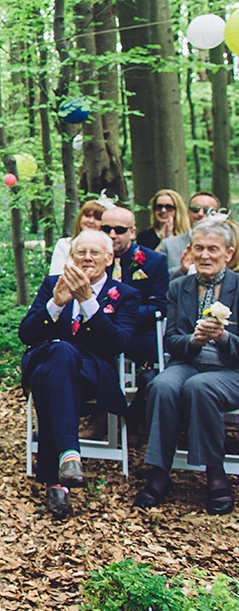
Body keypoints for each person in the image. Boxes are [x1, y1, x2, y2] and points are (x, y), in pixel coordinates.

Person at [19, 229, 140, 520]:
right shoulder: (52, 284)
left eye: (95, 253)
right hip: (48, 361)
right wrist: (56, 304)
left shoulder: (125, 295)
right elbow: (26, 334)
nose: (87, 258)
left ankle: (54, 481)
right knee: (60, 355)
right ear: (71, 257)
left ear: (109, 258)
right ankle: (69, 457)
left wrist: (88, 302)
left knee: (58, 370)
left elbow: (117, 344)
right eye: (81, 252)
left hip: (91, 375)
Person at [135, 217, 239, 515]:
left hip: (230, 370)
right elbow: (170, 341)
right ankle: (159, 471)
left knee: (200, 387)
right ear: (190, 251)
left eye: (213, 249)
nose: (205, 255)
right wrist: (192, 340)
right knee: (162, 385)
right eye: (199, 248)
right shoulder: (179, 287)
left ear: (228, 253)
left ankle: (215, 473)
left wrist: (223, 337)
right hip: (188, 361)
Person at [100, 205, 168, 365]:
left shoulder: (154, 261)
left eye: (120, 230)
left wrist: (121, 315)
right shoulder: (91, 258)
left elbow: (159, 306)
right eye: (106, 229)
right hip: (98, 332)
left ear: (132, 232)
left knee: (157, 346)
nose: (112, 235)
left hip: (137, 332)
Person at [158, 191, 220, 280]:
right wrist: (181, 270)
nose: (200, 214)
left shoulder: (228, 244)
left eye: (207, 210)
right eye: (195, 209)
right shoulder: (169, 244)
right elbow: (157, 277)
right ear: (188, 212)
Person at [49, 199, 107, 276]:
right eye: (87, 216)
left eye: (97, 218)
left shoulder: (107, 248)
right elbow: (55, 276)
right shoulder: (64, 244)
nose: (91, 221)